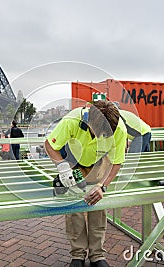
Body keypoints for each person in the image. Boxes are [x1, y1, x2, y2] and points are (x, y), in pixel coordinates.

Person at [44, 100, 127, 267]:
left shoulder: (119, 129)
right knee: (75, 208)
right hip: (74, 162)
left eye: (105, 135)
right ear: (89, 120)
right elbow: (49, 145)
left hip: (100, 162)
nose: (101, 137)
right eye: (99, 132)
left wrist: (102, 186)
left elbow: (117, 162)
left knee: (96, 204)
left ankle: (97, 255)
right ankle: (78, 254)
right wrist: (63, 167)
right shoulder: (72, 121)